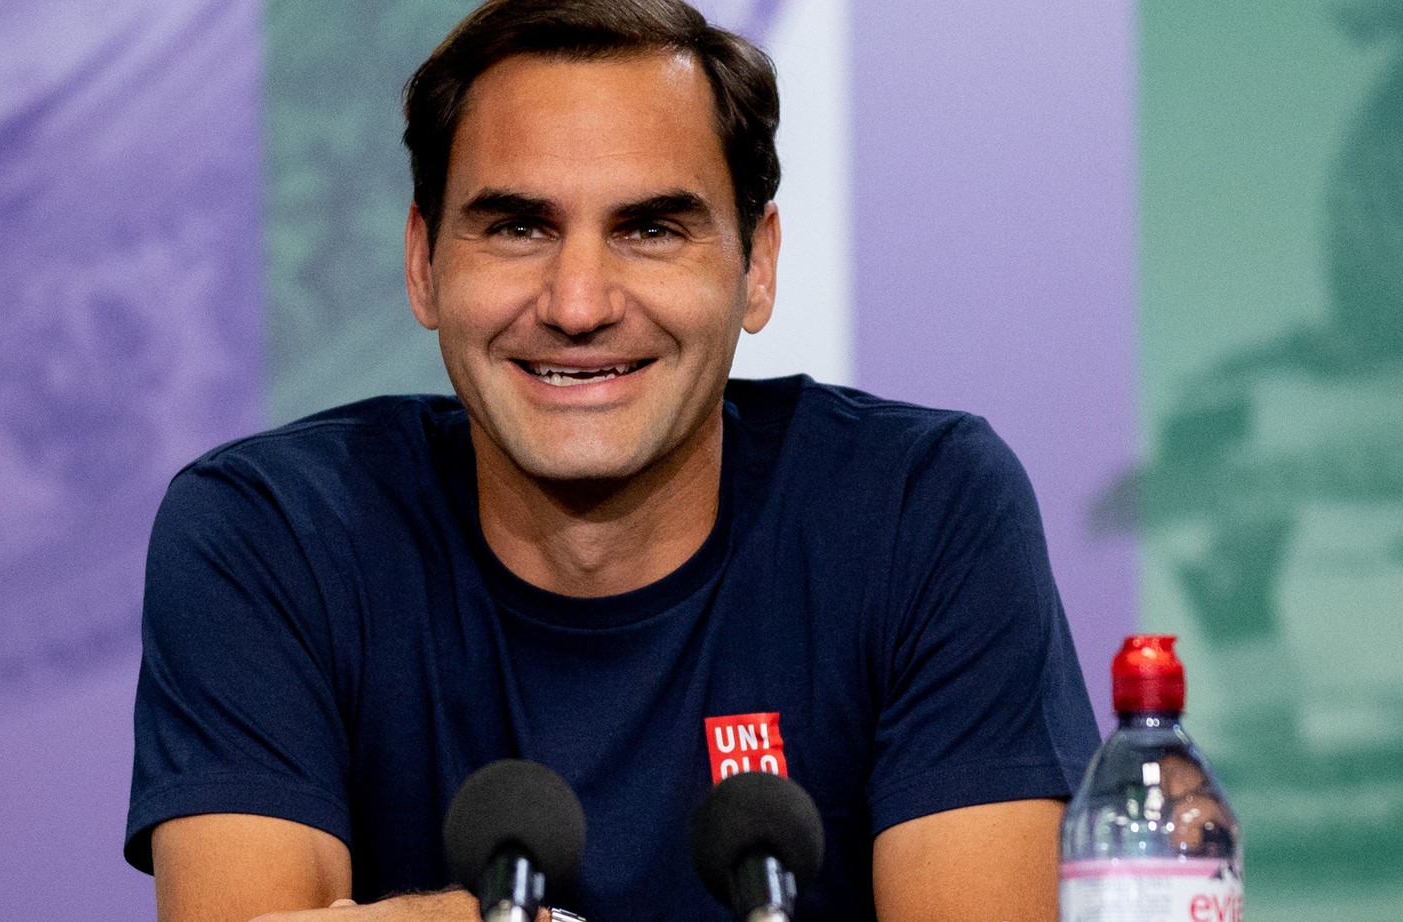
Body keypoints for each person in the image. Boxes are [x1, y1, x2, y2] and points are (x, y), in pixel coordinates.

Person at [125, 1, 1100, 920]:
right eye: (518, 227)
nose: (580, 302)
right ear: (422, 264)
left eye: (650, 229)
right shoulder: (267, 536)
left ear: (756, 266)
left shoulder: (922, 511)